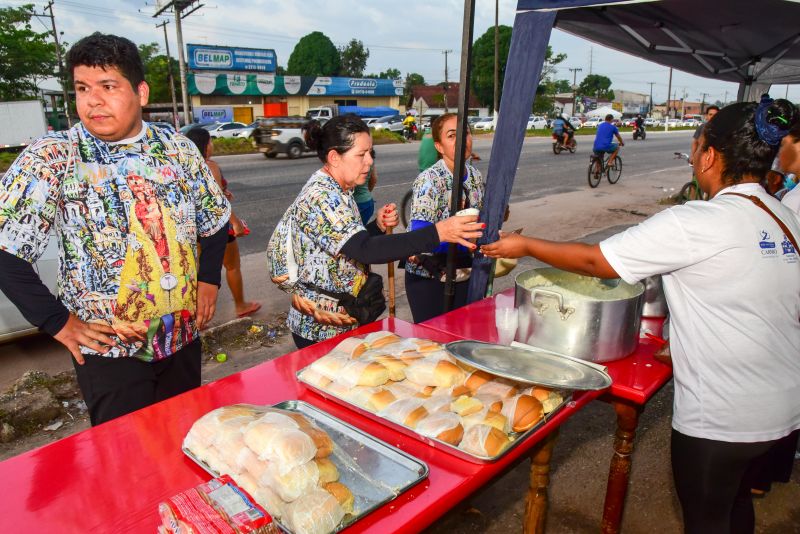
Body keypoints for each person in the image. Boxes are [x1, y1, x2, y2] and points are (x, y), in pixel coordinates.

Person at [482, 99, 800, 534]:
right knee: (736, 506)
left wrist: (527, 246)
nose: (691, 157)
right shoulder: (785, 215)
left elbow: (599, 263)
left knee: (706, 522)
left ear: (710, 155)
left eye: (696, 146)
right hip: (783, 410)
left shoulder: (698, 221)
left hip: (723, 418)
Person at [0, 33, 230, 426]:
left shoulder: (177, 148)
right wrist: (58, 322)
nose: (93, 101)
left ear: (140, 92)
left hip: (181, 338)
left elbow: (215, 218)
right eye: (82, 88)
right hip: (111, 354)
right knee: (128, 464)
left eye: (108, 87)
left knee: (187, 439)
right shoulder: (53, 156)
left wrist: (209, 280)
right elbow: (6, 250)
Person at [267, 115, 482, 349]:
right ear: (334, 157)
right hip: (320, 329)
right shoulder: (321, 196)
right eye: (361, 154)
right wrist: (438, 233)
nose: (369, 162)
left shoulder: (340, 190)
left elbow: (345, 244)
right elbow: (365, 250)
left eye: (371, 153)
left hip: (344, 318)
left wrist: (376, 227)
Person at [405, 112, 485, 323]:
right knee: (433, 343)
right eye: (452, 135)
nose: (462, 140)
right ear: (439, 147)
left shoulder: (475, 176)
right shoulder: (429, 180)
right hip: (429, 278)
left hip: (464, 272)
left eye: (465, 133)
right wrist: (471, 243)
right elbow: (420, 238)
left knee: (463, 335)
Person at [186, 127, 261, 318]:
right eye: (210, 141)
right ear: (204, 145)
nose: (212, 145)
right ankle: (241, 305)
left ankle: (197, 314)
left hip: (193, 226)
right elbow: (217, 200)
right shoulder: (209, 166)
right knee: (232, 266)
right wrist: (235, 223)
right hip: (216, 225)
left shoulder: (184, 165)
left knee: (200, 271)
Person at [352, 148, 378, 225]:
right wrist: (366, 193)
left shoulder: (354, 162)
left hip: (358, 205)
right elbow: (374, 179)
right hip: (368, 202)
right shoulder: (370, 159)